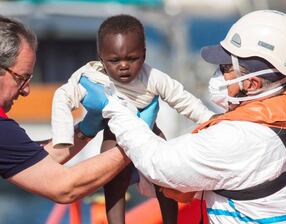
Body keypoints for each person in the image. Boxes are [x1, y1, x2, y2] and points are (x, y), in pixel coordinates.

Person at [95, 10, 286, 223]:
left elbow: (158, 163)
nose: (219, 75)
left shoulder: (237, 138)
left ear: (252, 83)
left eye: (226, 68)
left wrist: (113, 105)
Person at [0, 14, 137, 224]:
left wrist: (86, 130)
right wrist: (137, 143)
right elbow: (65, 187)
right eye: (21, 78)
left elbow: (29, 159)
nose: (26, 91)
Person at [51, 14, 215, 224]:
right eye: (114, 60)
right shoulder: (92, 77)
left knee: (166, 177)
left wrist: (210, 119)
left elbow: (183, 100)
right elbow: (62, 97)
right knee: (114, 184)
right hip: (115, 136)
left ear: (144, 55)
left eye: (132, 58)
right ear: (101, 59)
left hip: (150, 131)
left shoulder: (154, 77)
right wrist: (63, 136)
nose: (124, 66)